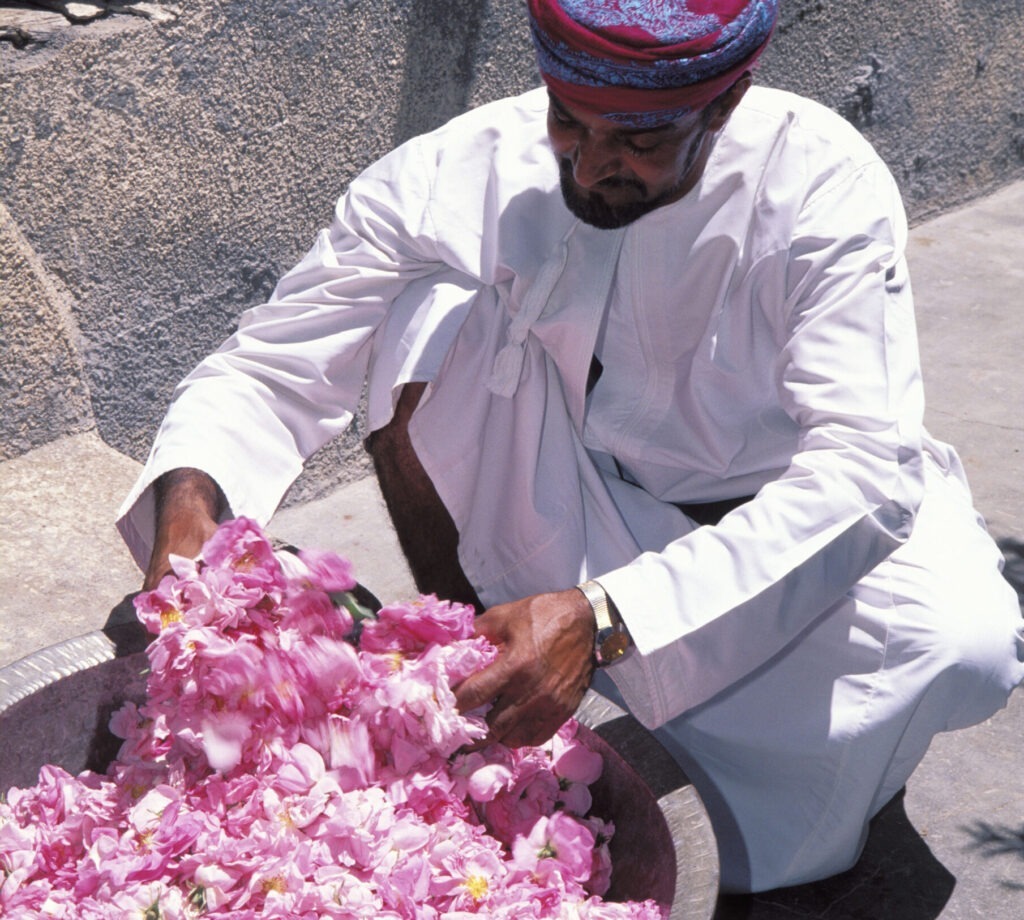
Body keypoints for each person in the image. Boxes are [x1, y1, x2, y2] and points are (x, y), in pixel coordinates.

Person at [117, 0, 1024, 894]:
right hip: (562, 492)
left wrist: (608, 616)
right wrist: (193, 500)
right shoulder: (459, 169)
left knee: (963, 644)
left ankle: (765, 774)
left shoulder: (824, 185)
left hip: (776, 535)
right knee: (428, 310)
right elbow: (275, 356)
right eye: (568, 121)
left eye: (638, 143)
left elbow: (864, 471)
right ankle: (480, 675)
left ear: (726, 102)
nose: (591, 166)